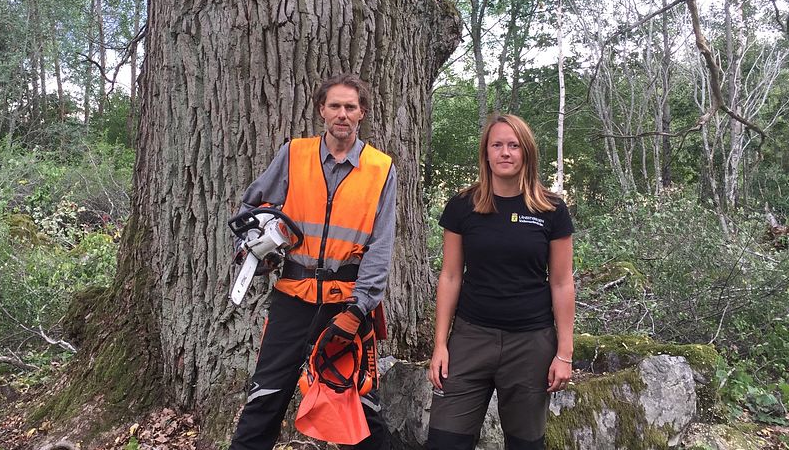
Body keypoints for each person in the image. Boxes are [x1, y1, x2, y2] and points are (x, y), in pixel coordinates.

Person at [230, 74, 396, 450]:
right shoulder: (294, 154)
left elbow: (381, 246)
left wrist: (359, 308)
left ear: (362, 113)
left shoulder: (380, 168)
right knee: (265, 397)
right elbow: (250, 208)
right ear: (321, 110)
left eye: (350, 107)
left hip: (346, 301)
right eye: (335, 106)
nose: (342, 114)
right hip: (292, 295)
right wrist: (258, 244)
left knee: (356, 403)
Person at [427, 114, 575, 450]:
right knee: (444, 441)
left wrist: (564, 353)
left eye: (513, 145)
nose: (505, 152)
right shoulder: (463, 206)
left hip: (531, 344)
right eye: (497, 145)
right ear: (486, 153)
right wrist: (440, 344)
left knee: (525, 444)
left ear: (526, 153)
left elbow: (562, 283)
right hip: (470, 339)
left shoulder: (551, 209)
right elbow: (450, 276)